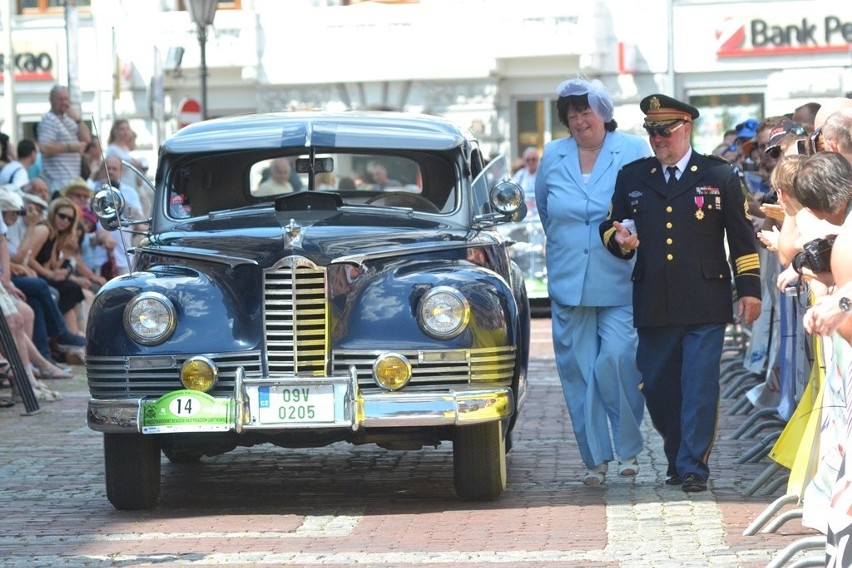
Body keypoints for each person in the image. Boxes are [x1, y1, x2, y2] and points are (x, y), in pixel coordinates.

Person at [599, 94, 762, 492]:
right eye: (652, 132)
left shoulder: (719, 175)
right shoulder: (633, 176)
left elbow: (741, 240)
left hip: (706, 300)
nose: (658, 140)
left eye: (665, 131)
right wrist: (620, 242)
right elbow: (609, 227)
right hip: (654, 299)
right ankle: (677, 454)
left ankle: (692, 466)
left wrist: (750, 290)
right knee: (658, 387)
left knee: (699, 384)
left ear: (686, 128)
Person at [534, 78, 651, 486]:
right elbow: (547, 212)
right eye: (572, 115)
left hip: (619, 276)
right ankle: (596, 459)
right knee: (580, 373)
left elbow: (646, 206)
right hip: (569, 281)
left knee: (618, 359)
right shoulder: (553, 155)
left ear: (603, 112)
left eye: (586, 112)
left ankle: (628, 448)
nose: (580, 120)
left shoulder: (633, 149)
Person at [37, 85, 91, 197]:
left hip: (73, 180)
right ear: (51, 100)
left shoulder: (70, 119)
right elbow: (45, 148)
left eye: (66, 99)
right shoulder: (49, 119)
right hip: (58, 182)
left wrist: (78, 119)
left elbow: (87, 139)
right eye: (60, 99)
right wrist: (70, 148)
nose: (64, 102)